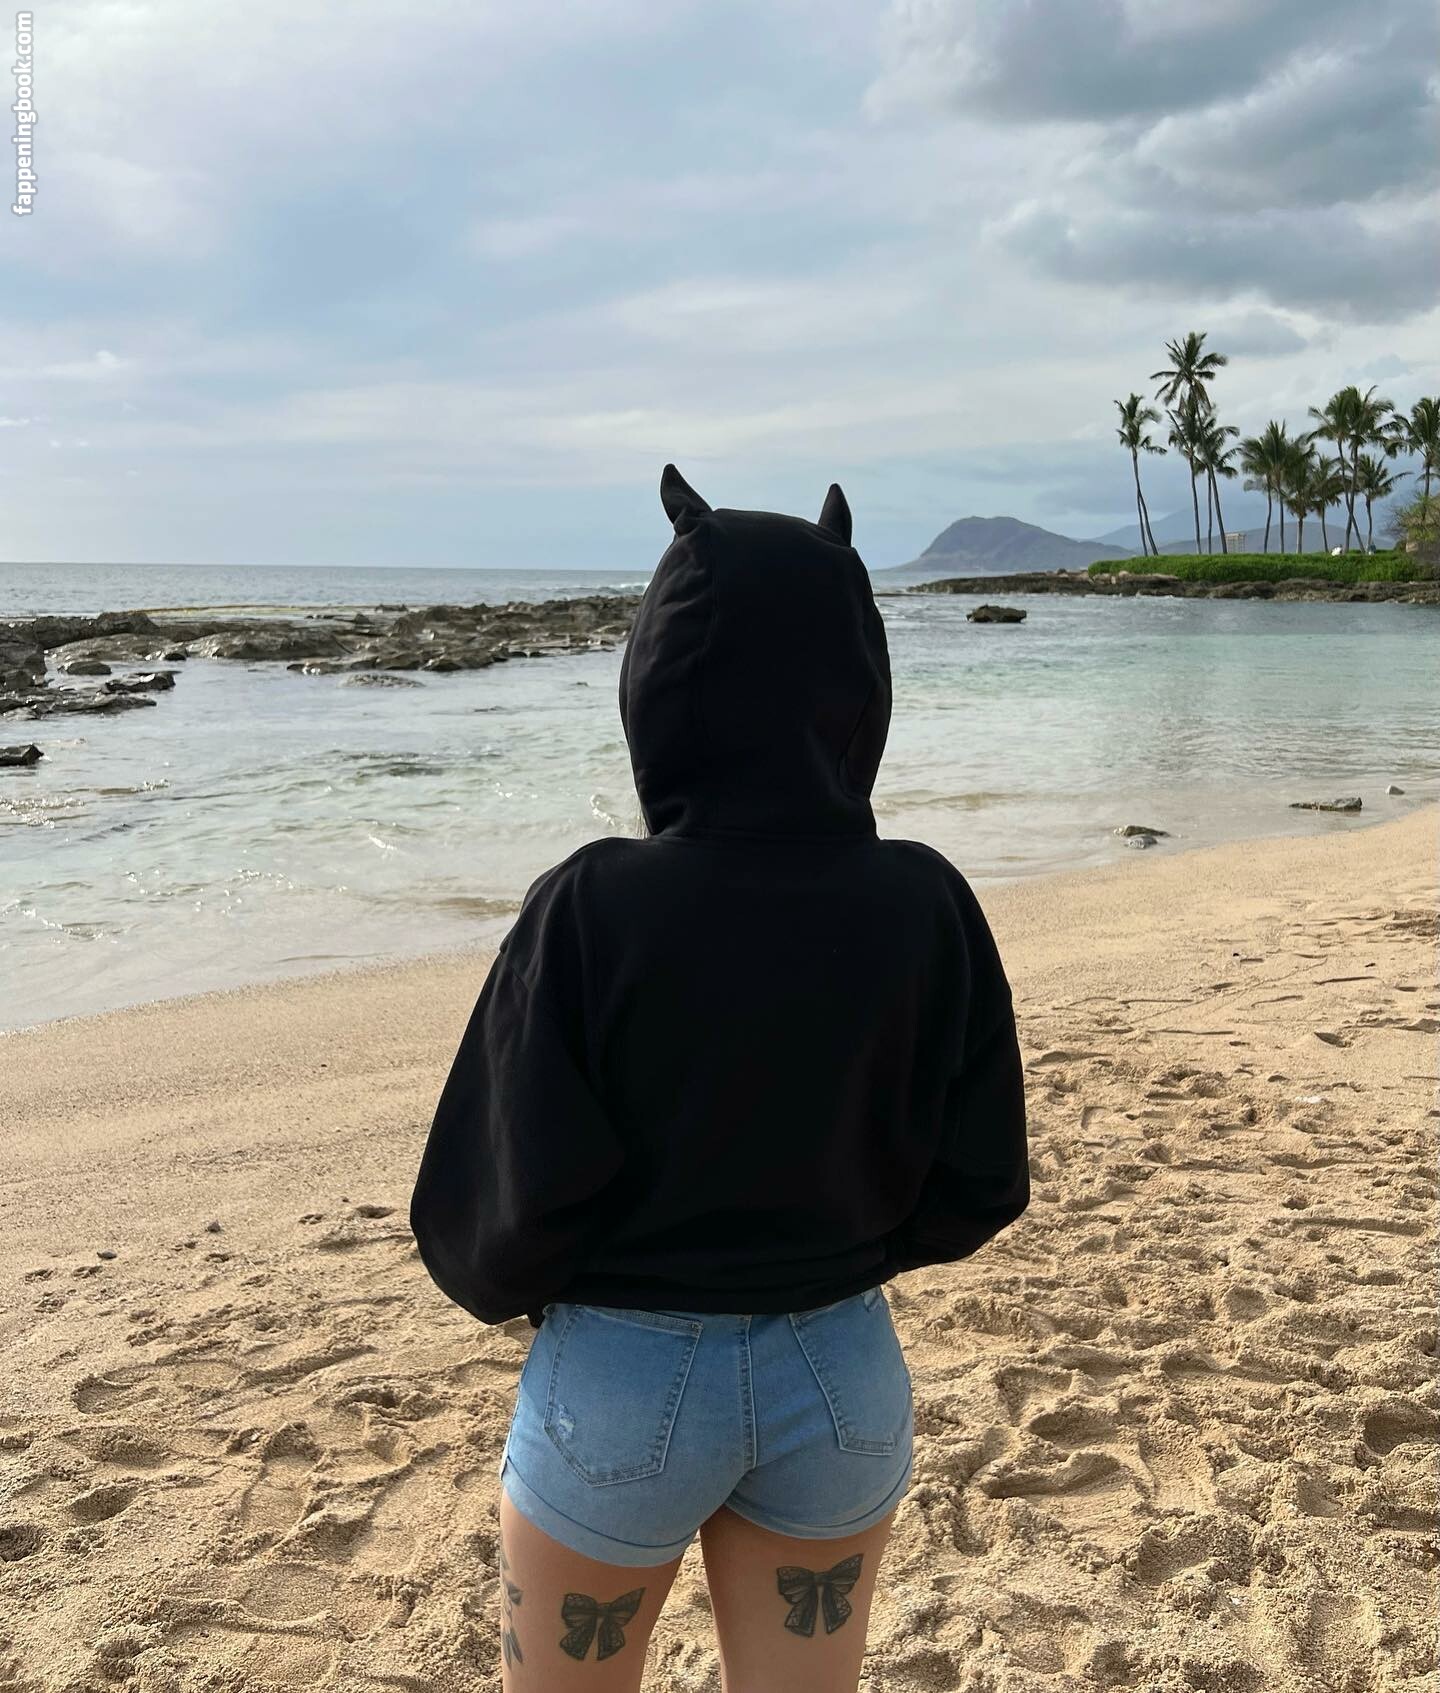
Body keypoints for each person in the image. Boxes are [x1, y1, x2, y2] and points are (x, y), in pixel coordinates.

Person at [410, 464, 1030, 1692]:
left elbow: (498, 1202)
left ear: (661, 674)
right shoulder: (925, 901)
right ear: (855, 685)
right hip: (840, 1370)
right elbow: (980, 1180)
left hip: (623, 1381)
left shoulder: (591, 905)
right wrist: (838, 1246)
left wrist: (555, 1287)